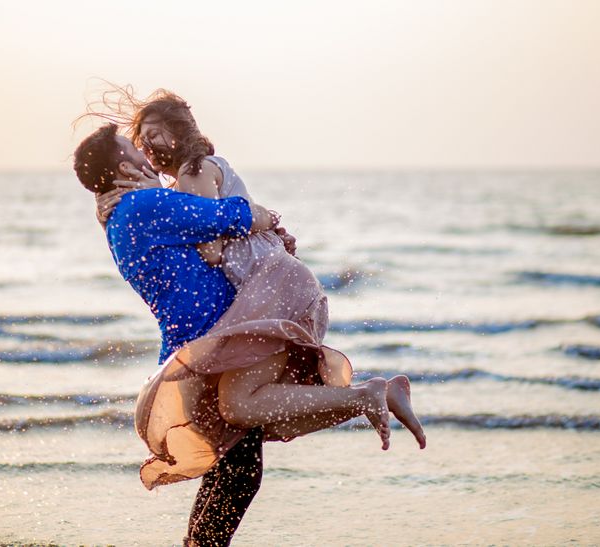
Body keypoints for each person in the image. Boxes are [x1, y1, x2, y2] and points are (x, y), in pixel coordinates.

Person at [74, 102, 424, 546]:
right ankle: (368, 397)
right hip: (218, 336)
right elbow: (232, 216)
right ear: (124, 163)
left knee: (238, 453)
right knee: (236, 464)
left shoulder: (129, 209)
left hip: (243, 320)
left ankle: (368, 397)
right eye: (133, 145)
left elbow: (218, 226)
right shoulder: (143, 204)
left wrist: (263, 228)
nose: (143, 150)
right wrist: (265, 218)